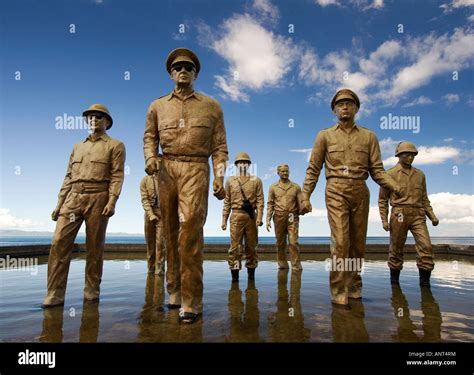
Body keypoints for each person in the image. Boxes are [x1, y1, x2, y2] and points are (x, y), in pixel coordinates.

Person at [143, 48, 229, 323]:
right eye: (178, 67)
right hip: (166, 169)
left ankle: (191, 300)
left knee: (191, 228)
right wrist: (150, 158)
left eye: (188, 67)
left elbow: (220, 147)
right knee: (169, 231)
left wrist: (219, 176)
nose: (183, 71)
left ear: (195, 73)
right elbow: (149, 137)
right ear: (171, 73)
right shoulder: (157, 106)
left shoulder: (212, 106)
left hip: (196, 168)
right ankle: (174, 291)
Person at [300, 89, 401, 306]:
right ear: (334, 109)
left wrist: (394, 185)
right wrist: (305, 195)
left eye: (349, 103)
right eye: (340, 104)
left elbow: (378, 170)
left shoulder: (369, 137)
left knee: (357, 245)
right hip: (335, 189)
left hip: (360, 191)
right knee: (340, 243)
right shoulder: (324, 135)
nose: (344, 107)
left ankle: (354, 285)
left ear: (356, 108)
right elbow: (313, 169)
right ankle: (338, 290)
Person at [42, 104, 125, 307]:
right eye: (90, 117)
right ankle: (54, 293)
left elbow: (117, 176)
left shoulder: (116, 146)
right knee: (59, 242)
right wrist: (59, 203)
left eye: (98, 117)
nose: (93, 120)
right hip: (73, 197)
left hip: (99, 197)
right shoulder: (78, 146)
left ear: (107, 122)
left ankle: (91, 289)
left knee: (94, 247)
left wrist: (112, 200)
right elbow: (68, 176)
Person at [379, 141, 439, 287]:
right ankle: (395, 285)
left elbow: (424, 198)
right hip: (399, 214)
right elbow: (382, 200)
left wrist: (432, 216)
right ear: (399, 155)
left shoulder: (420, 175)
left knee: (426, 247)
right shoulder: (389, 174)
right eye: (407, 154)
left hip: (418, 214)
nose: (410, 157)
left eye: (413, 154)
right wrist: (384, 220)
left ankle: (425, 286)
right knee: (396, 249)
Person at [222, 152, 264, 282]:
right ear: (236, 165)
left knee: (251, 248)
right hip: (236, 215)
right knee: (234, 249)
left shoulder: (256, 180)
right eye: (240, 162)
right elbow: (227, 201)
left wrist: (259, 217)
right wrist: (224, 219)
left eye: (245, 162)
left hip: (251, 217)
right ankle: (235, 278)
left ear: (249, 165)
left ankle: (251, 276)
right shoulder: (230, 181)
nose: (242, 164)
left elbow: (260, 200)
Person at [266, 164, 303, 271]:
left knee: (293, 242)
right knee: (280, 242)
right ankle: (282, 264)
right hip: (278, 217)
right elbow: (270, 204)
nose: (285, 173)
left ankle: (296, 265)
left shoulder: (296, 187)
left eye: (287, 171)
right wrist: (268, 218)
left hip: (292, 217)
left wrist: (305, 207)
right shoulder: (273, 187)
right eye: (283, 171)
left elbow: (301, 203)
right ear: (278, 173)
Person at [140, 174, 165, 275]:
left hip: (163, 214)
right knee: (150, 245)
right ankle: (150, 270)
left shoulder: (167, 179)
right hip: (149, 214)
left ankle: (159, 271)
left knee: (160, 244)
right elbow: (144, 199)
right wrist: (151, 214)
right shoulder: (145, 180)